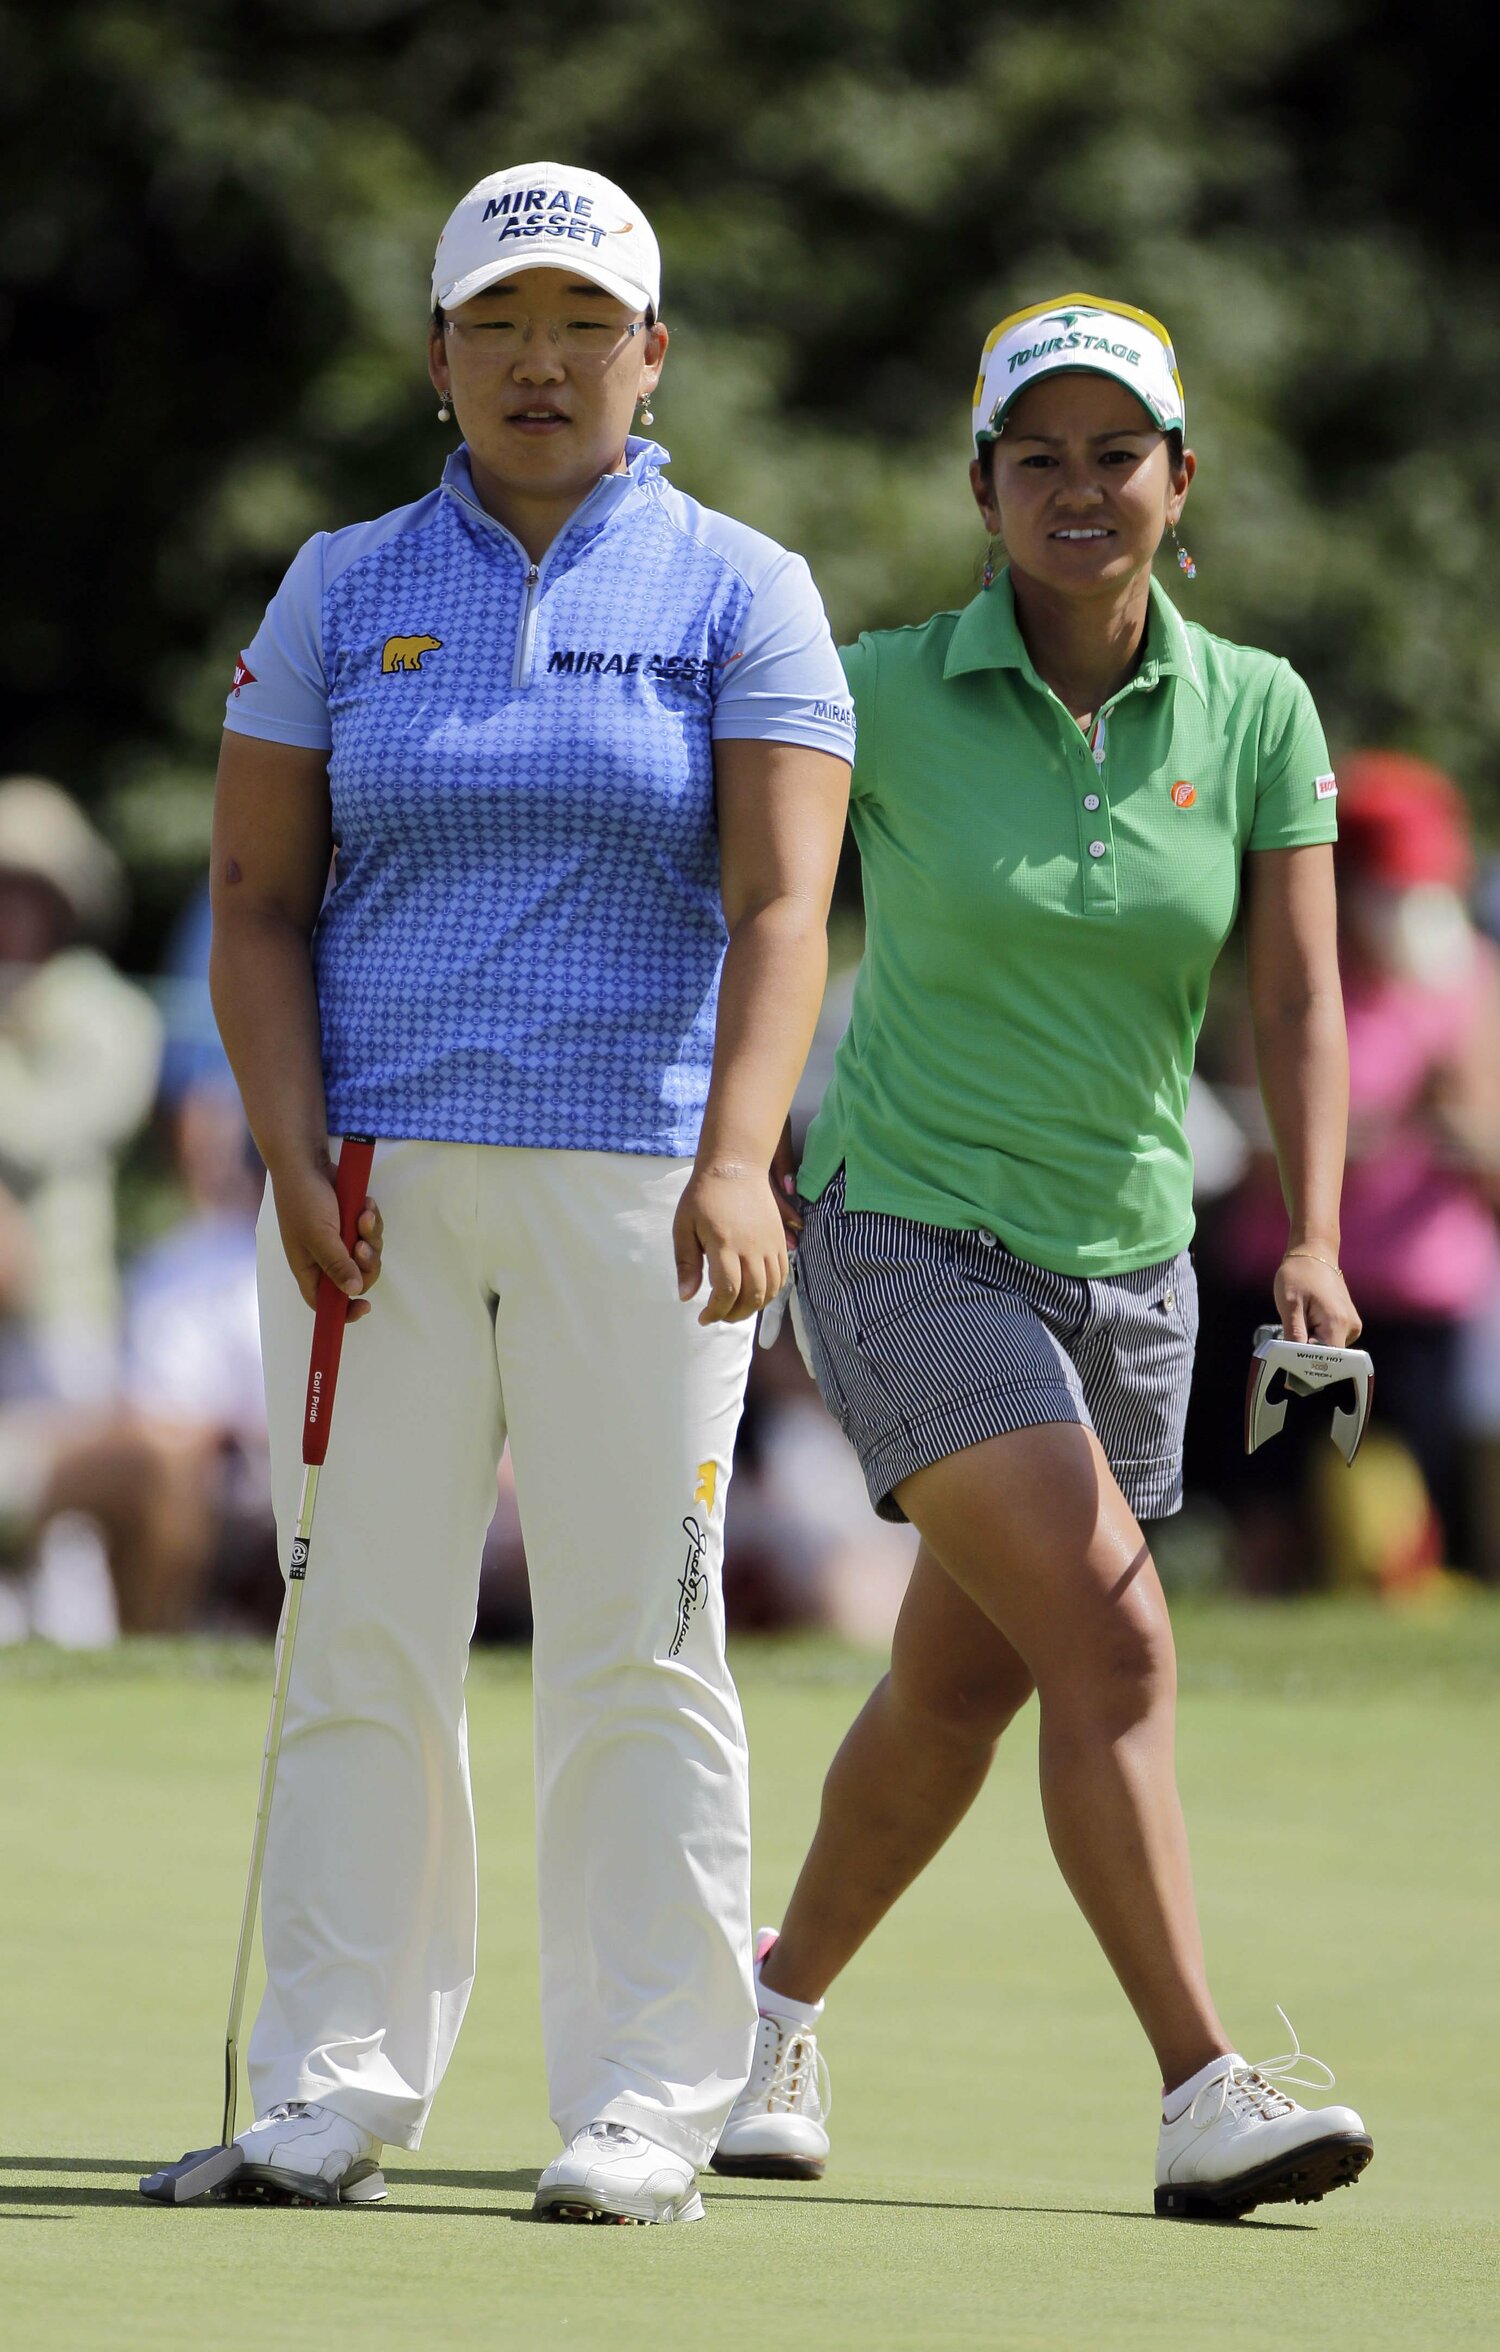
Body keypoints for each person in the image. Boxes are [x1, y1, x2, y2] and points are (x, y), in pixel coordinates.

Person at [202, 161, 851, 2221]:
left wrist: (744, 1156)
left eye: (585, 325)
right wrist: (290, 1147)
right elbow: (250, 901)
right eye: (500, 325)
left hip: (646, 1182)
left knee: (637, 1643)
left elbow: (780, 908)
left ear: (653, 356)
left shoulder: (745, 586)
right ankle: (331, 2084)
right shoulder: (334, 582)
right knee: (361, 1636)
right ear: (440, 356)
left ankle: (654, 2099)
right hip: (371, 1183)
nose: (541, 361)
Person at [714, 296, 1374, 2219]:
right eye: (1038, 458)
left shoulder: (1259, 708)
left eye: (1117, 453)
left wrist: (1314, 1235)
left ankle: (765, 2014)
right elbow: (760, 903)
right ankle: (1203, 2089)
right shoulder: (881, 685)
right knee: (1114, 1639)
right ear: (982, 488)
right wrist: (732, 1160)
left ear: (1182, 480)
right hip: (910, 1239)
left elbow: (1305, 994)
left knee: (961, 1689)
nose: (1079, 489)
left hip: (1137, 1274)